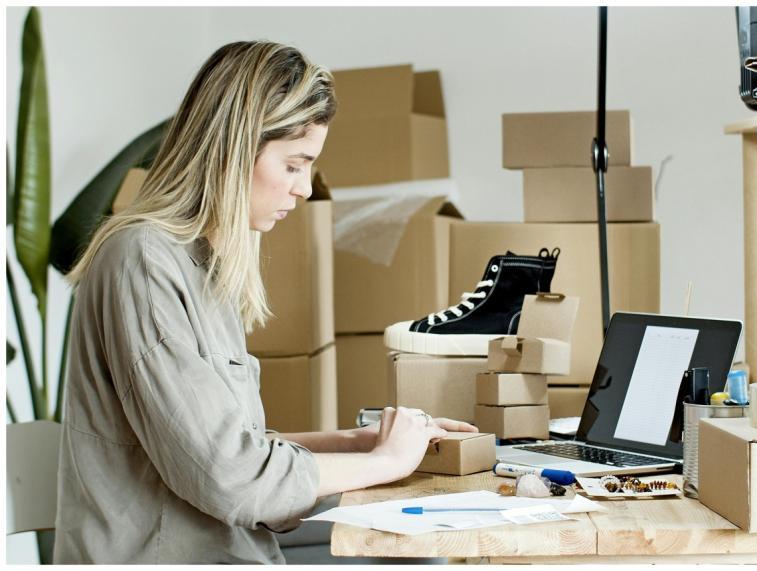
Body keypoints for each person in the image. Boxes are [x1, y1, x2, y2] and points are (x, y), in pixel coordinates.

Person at [53, 41, 477, 564]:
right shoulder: (143, 262)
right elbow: (233, 479)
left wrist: (356, 443)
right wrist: (388, 460)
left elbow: (230, 446)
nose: (303, 190)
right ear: (234, 149)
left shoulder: (202, 264)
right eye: (294, 165)